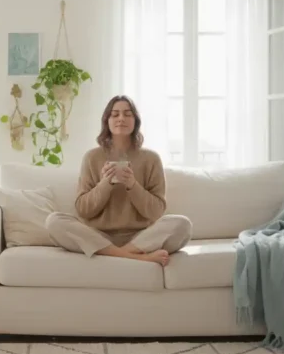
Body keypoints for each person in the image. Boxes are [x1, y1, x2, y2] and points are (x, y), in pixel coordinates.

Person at [45, 95, 192, 266]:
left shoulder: (151, 159)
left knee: (182, 224)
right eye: (115, 114)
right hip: (99, 236)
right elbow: (83, 210)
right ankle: (135, 257)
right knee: (54, 221)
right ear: (107, 121)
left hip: (140, 237)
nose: (121, 118)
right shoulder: (92, 157)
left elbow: (157, 211)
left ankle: (115, 253)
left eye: (127, 114)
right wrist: (104, 184)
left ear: (135, 121)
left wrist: (132, 185)